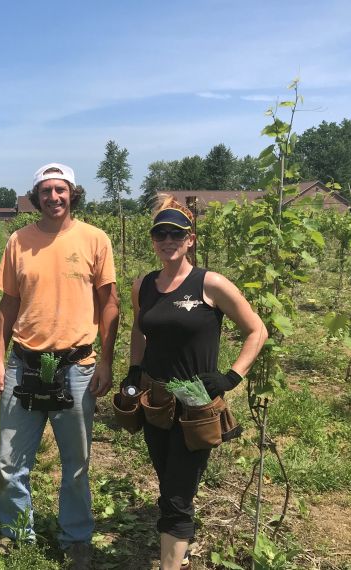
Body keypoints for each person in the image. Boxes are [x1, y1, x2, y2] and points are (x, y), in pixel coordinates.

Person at [0, 162, 119, 569]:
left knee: (76, 462)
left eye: (61, 189)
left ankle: (76, 535)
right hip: (23, 363)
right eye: (46, 191)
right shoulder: (18, 241)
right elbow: (8, 303)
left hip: (77, 366)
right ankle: (16, 531)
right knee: (10, 460)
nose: (54, 197)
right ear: (36, 197)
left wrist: (107, 362)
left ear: (73, 193)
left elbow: (109, 303)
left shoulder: (95, 240)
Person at [125, 195, 267, 570]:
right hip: (156, 399)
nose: (167, 240)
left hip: (196, 403)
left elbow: (257, 331)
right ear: (153, 240)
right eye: (160, 234)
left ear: (191, 240)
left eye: (176, 234)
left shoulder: (211, 284)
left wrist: (231, 376)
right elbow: (139, 332)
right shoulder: (143, 285)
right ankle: (180, 550)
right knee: (166, 477)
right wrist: (133, 371)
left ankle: (171, 562)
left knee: (177, 492)